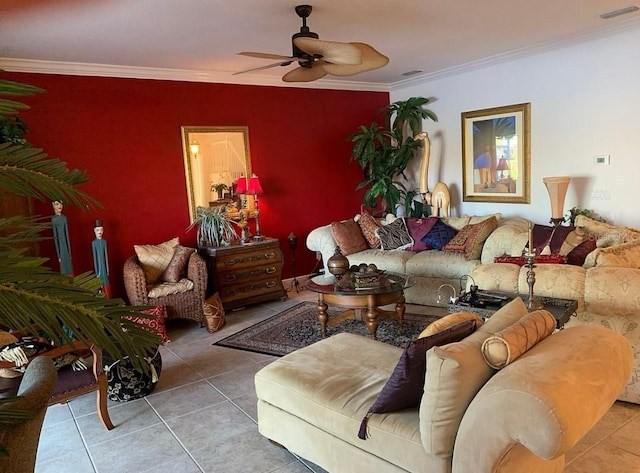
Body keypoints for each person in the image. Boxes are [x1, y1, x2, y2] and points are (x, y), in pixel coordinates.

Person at [51, 200, 74, 275]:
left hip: (65, 245)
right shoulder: (53, 219)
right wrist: (59, 255)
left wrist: (70, 252)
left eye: (61, 204)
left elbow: (66, 234)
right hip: (60, 246)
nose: (59, 206)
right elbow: (55, 237)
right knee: (63, 267)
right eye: (57, 204)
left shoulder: (64, 218)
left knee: (69, 266)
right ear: (53, 205)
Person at [92, 220, 111, 298]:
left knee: (106, 283)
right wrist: (97, 272)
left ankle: (109, 297)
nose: (100, 232)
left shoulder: (104, 242)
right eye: (97, 230)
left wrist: (107, 269)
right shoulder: (94, 243)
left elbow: (106, 256)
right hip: (99, 270)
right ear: (94, 231)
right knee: (100, 285)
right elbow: (94, 258)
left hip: (104, 269)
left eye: (101, 230)